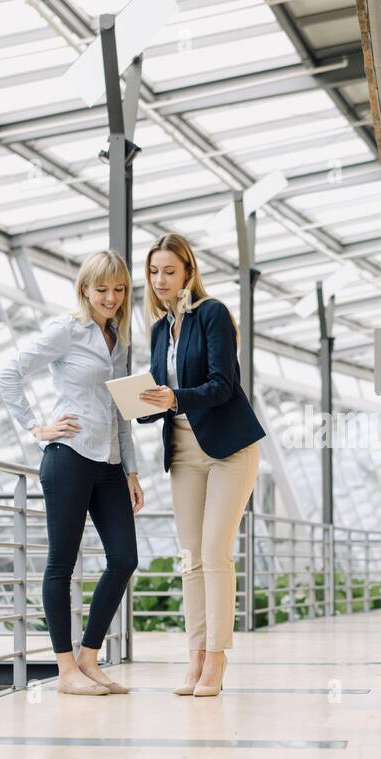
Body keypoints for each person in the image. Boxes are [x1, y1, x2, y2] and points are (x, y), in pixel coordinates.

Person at [0, 250, 143, 696]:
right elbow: (9, 373)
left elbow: (121, 408)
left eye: (119, 290)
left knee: (124, 558)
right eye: (102, 290)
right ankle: (64, 672)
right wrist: (35, 428)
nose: (112, 298)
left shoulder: (119, 338)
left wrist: (132, 471)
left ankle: (88, 658)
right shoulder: (67, 330)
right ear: (84, 289)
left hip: (109, 463)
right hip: (69, 456)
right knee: (61, 563)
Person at [138, 234, 265, 697]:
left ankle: (216, 659)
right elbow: (162, 393)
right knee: (191, 557)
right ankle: (194, 656)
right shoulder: (158, 330)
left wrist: (175, 396)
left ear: (188, 272)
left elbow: (223, 384)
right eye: (154, 272)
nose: (160, 280)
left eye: (170, 271)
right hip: (183, 449)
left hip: (228, 446)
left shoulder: (211, 313)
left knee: (214, 551)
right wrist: (141, 402)